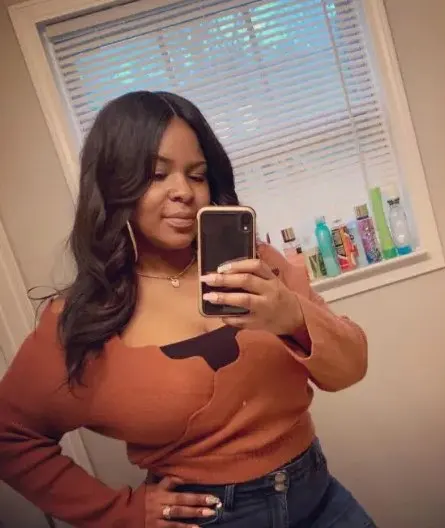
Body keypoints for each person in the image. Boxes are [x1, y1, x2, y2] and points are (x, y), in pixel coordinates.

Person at [0, 91, 373, 528]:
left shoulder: (258, 266)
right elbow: (9, 435)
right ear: (114, 185)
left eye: (197, 175)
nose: (183, 192)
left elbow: (351, 368)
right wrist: (123, 512)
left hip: (323, 501)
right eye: (156, 175)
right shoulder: (82, 319)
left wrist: (292, 317)